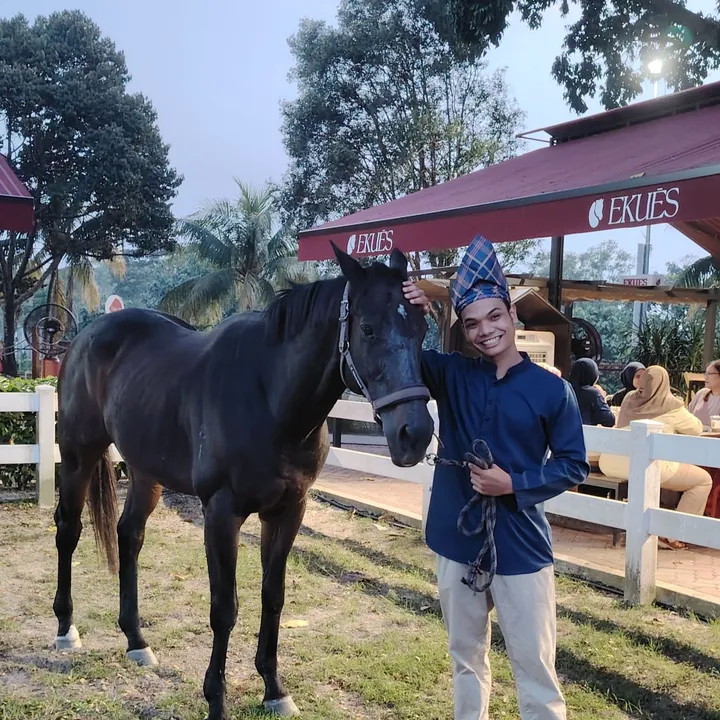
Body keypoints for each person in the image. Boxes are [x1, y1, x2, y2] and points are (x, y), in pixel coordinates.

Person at [403, 235, 589, 720]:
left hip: (520, 547)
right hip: (456, 540)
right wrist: (415, 313)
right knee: (465, 658)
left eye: (493, 317)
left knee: (535, 668)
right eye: (472, 323)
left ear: (512, 313)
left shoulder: (553, 391)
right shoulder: (451, 375)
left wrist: (514, 484)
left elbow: (573, 463)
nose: (485, 331)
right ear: (463, 330)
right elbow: (401, 357)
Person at [598, 365, 712, 550]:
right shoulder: (671, 405)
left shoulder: (629, 398)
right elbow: (696, 429)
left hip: (612, 462)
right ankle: (671, 535)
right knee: (703, 480)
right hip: (646, 466)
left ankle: (661, 527)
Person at [569, 358, 615, 427]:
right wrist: (602, 398)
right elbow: (609, 421)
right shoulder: (593, 394)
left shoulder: (565, 389)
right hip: (584, 432)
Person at [688, 359, 720, 431]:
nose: (706, 377)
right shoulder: (701, 394)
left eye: (709, 374)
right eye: (705, 374)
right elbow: (687, 417)